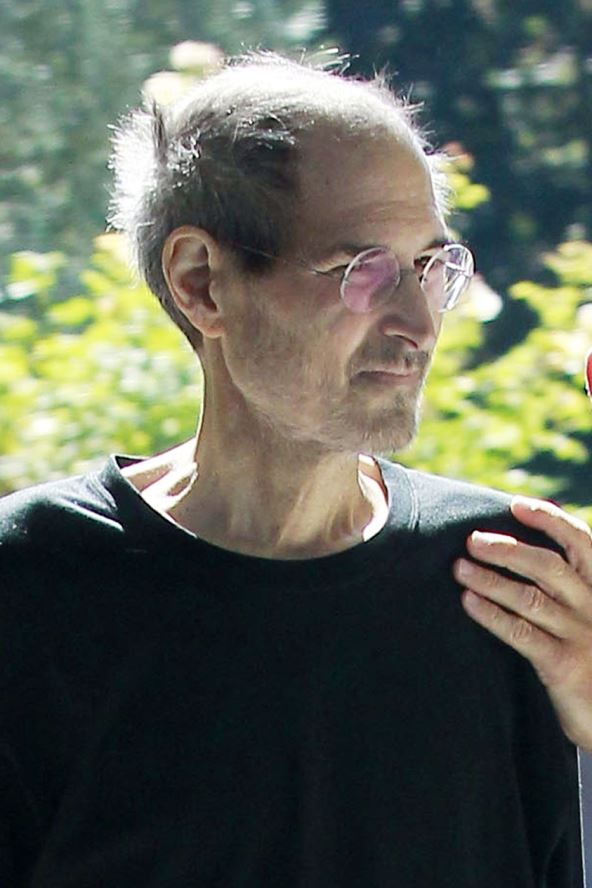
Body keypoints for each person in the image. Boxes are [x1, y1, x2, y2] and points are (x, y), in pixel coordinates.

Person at [0, 51, 587, 886]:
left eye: (430, 268)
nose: (418, 324)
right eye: (363, 270)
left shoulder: (516, 585)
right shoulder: (32, 585)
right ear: (202, 283)